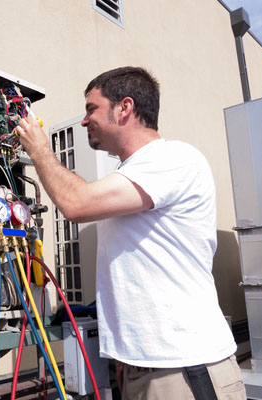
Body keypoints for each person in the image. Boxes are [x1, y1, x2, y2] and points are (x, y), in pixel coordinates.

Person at [16, 67, 246, 399]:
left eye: (91, 108)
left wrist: (39, 150)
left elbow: (75, 203)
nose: (84, 121)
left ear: (124, 107)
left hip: (184, 370)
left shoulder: (172, 159)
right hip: (144, 368)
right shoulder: (133, 174)